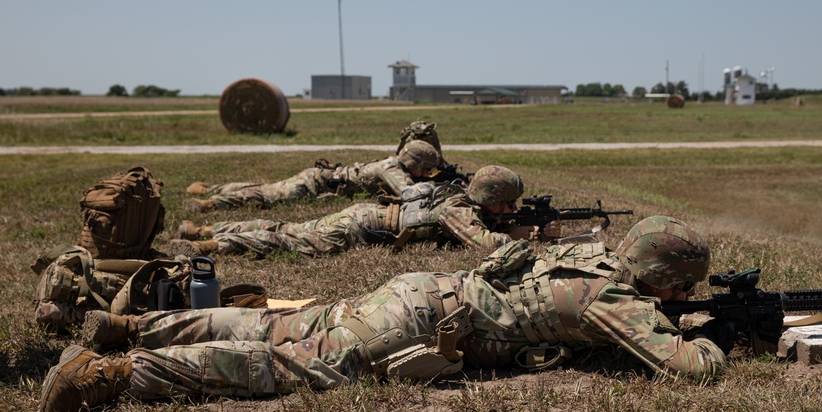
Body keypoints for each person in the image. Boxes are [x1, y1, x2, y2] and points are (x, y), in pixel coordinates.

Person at [36, 216, 732, 412]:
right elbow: (688, 370)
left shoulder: (590, 257)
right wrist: (713, 337)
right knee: (284, 363)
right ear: (668, 280)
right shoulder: (615, 302)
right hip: (423, 325)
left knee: (281, 328)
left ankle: (127, 328)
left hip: (423, 289)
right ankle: (112, 374)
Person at [167, 165, 560, 258]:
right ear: (489, 195)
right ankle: (214, 245)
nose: (511, 209)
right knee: (290, 240)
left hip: (364, 214)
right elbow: (484, 244)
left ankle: (202, 227)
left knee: (287, 226)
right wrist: (524, 238)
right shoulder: (455, 207)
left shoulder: (462, 198)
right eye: (507, 202)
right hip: (360, 227)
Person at [185, 139, 441, 211]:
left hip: (319, 178)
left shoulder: (393, 164)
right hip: (315, 185)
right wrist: (438, 189)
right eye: (426, 168)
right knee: (264, 195)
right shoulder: (393, 169)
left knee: (268, 186)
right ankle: (209, 202)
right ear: (414, 162)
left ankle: (212, 188)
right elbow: (409, 194)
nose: (427, 173)